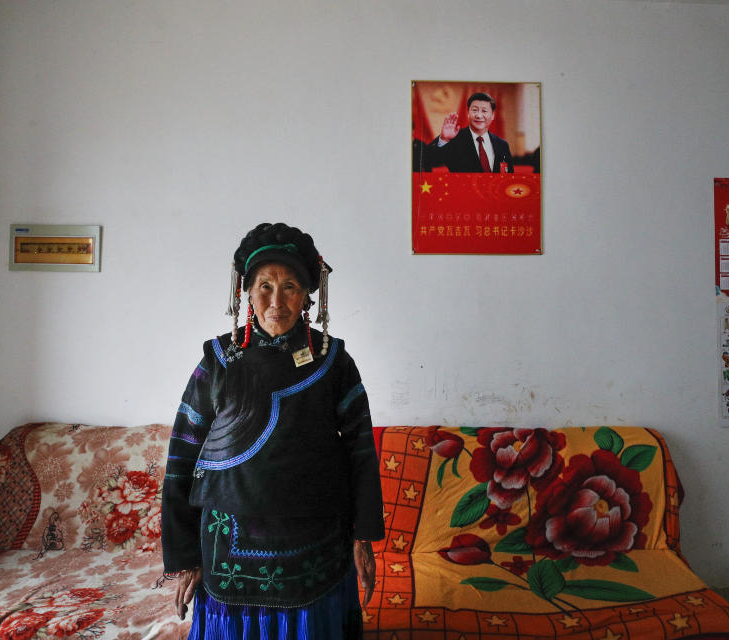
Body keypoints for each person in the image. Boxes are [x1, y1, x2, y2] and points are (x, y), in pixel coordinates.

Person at [162, 222, 385, 639]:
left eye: (290, 287)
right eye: (264, 286)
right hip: (228, 551)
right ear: (246, 292)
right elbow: (181, 456)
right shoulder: (216, 363)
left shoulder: (333, 361)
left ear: (306, 297)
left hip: (316, 552)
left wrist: (363, 537)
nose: (276, 301)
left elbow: (360, 452)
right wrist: (185, 554)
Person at [422, 92, 514, 173]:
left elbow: (509, 179)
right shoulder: (455, 139)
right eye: (474, 110)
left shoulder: (502, 145)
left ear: (493, 115)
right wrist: (444, 139)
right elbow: (428, 160)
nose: (479, 115)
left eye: (484, 111)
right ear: (468, 113)